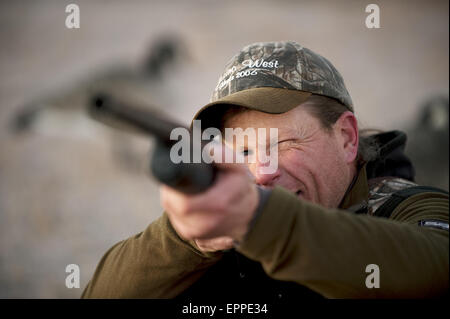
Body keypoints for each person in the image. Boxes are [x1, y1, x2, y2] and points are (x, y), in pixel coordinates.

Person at [81, 41, 448, 299]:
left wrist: (260, 221)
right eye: (241, 150)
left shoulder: (409, 208)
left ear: (347, 137)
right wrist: (186, 239)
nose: (261, 172)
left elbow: (434, 272)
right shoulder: (220, 234)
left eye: (283, 144)